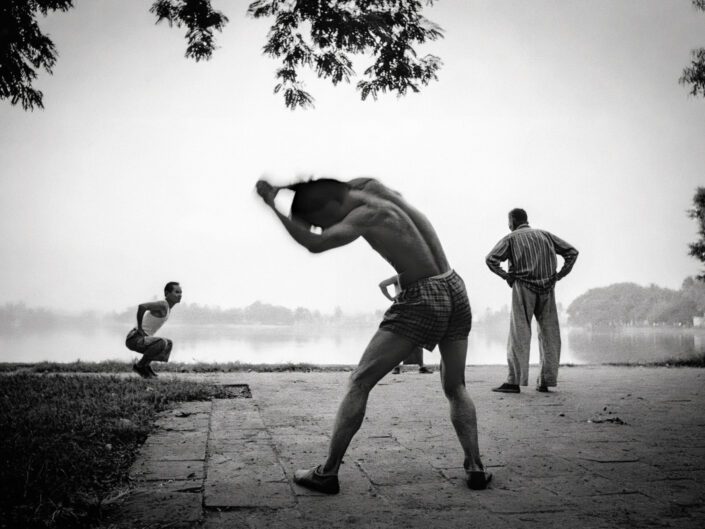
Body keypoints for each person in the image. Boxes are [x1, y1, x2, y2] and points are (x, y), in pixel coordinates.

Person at [256, 177, 491, 494]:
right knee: (455, 385)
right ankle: (475, 466)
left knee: (360, 381)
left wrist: (273, 203)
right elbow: (327, 189)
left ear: (331, 206)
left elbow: (317, 243)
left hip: (423, 296)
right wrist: (286, 188)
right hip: (454, 285)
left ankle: (327, 473)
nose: (327, 225)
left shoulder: (367, 215)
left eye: (322, 220)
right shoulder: (374, 187)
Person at [485, 209, 578, 394]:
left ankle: (514, 382)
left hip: (523, 286)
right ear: (526, 220)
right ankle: (545, 381)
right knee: (550, 333)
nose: (508, 225)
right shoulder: (545, 235)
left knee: (520, 332)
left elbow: (491, 259)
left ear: (512, 221)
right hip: (548, 287)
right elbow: (572, 252)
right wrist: (559, 275)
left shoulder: (511, 238)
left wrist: (506, 276)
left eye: (508, 221)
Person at [125, 281, 182, 378]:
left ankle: (145, 366)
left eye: (181, 292)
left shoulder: (168, 308)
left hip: (141, 339)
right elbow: (142, 307)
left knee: (168, 343)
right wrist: (140, 328)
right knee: (162, 342)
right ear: (167, 294)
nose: (180, 295)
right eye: (176, 292)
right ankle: (139, 366)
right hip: (134, 338)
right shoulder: (163, 304)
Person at [379, 275, 433, 374]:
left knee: (416, 339)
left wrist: (391, 298)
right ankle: (398, 366)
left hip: (412, 309)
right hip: (404, 309)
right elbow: (382, 285)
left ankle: (419, 366)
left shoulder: (409, 277)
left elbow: (382, 285)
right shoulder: (400, 277)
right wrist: (391, 298)